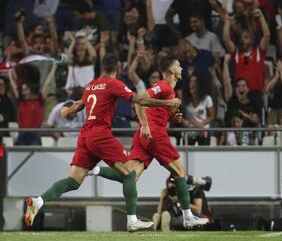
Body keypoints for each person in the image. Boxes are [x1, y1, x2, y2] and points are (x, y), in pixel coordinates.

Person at [24, 54, 181, 232]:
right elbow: (140, 100)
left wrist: (66, 111)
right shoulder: (115, 84)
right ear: (117, 69)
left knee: (74, 181)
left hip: (85, 136)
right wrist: (167, 102)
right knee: (130, 173)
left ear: (101, 68)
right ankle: (132, 220)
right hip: (100, 134)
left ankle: (38, 201)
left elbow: (78, 105)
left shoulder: (91, 85)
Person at [90, 56, 209, 229]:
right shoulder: (163, 85)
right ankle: (188, 216)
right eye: (178, 66)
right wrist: (146, 124)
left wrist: (173, 117)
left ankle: (94, 169)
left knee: (130, 174)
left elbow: (157, 112)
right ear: (171, 70)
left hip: (144, 134)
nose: (181, 68)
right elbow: (139, 100)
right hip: (153, 133)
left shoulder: (170, 91)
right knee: (180, 171)